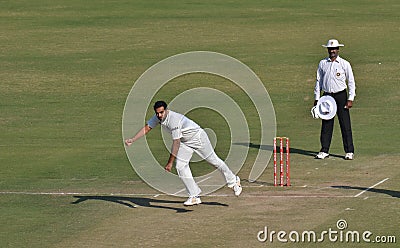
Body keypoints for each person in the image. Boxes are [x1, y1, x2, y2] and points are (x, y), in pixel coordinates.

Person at [125, 100, 242, 206]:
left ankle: (234, 181)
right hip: (186, 142)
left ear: (166, 110)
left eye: (161, 112)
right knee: (180, 166)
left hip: (198, 138)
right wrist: (133, 139)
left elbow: (176, 143)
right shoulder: (158, 117)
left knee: (213, 161)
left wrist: (169, 163)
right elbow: (147, 128)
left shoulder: (174, 120)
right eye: (157, 113)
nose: (159, 115)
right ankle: (194, 195)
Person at [314, 39, 356, 160]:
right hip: (327, 96)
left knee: (345, 123)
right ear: (328, 50)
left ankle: (349, 151)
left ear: (338, 50)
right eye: (330, 49)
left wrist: (350, 98)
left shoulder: (344, 64)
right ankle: (324, 150)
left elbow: (351, 81)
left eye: (334, 49)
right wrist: (317, 98)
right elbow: (318, 81)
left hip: (341, 95)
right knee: (326, 124)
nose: (332, 51)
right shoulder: (322, 63)